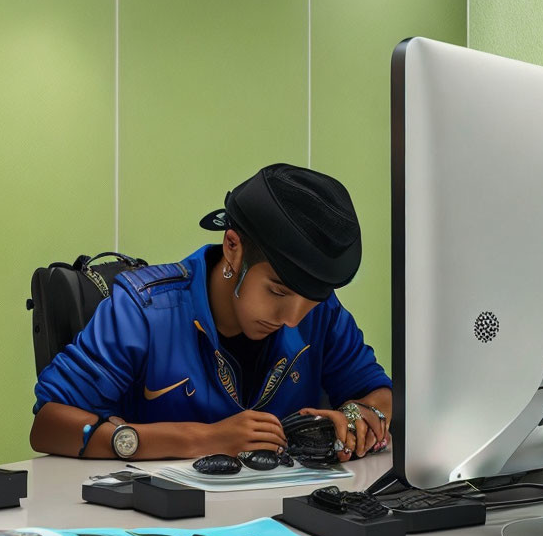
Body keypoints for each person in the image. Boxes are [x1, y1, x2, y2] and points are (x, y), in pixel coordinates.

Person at [30, 163, 392, 463]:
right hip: (158, 531)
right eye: (277, 291)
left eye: (310, 300)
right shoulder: (144, 310)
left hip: (285, 522)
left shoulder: (321, 313)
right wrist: (202, 439)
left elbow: (378, 392)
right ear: (232, 247)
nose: (292, 319)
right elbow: (49, 425)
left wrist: (360, 417)